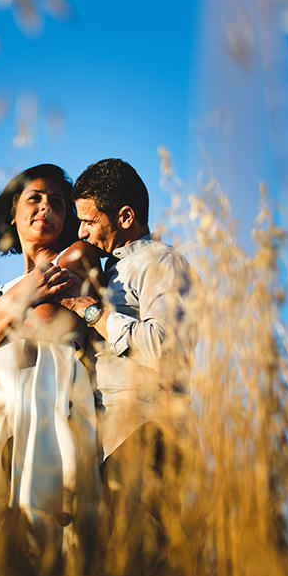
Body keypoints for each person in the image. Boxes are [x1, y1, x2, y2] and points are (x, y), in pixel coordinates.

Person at [0, 164, 104, 534]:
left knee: (43, 531)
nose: (46, 207)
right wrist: (17, 295)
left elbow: (47, 321)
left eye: (58, 203)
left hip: (45, 404)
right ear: (14, 213)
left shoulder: (77, 255)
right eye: (35, 198)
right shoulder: (9, 285)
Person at [55, 158, 194, 538]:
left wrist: (93, 313)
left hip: (148, 434)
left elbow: (166, 348)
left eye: (88, 221)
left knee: (142, 568)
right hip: (110, 446)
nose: (80, 231)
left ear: (126, 217)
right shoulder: (109, 271)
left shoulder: (161, 262)